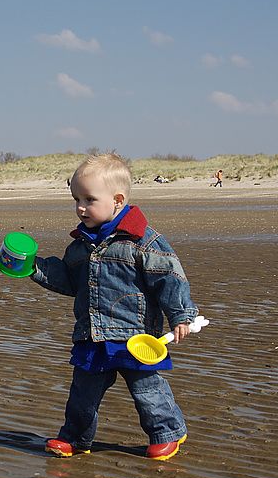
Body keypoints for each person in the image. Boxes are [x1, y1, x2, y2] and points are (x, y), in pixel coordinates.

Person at [29, 152, 199, 461]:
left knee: (148, 390)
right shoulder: (80, 246)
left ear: (117, 200)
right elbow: (69, 280)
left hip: (135, 337)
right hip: (92, 334)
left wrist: (181, 315)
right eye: (76, 199)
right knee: (82, 393)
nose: (81, 208)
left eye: (89, 200)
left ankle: (168, 433)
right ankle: (75, 438)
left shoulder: (142, 241)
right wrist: (31, 266)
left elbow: (169, 276)